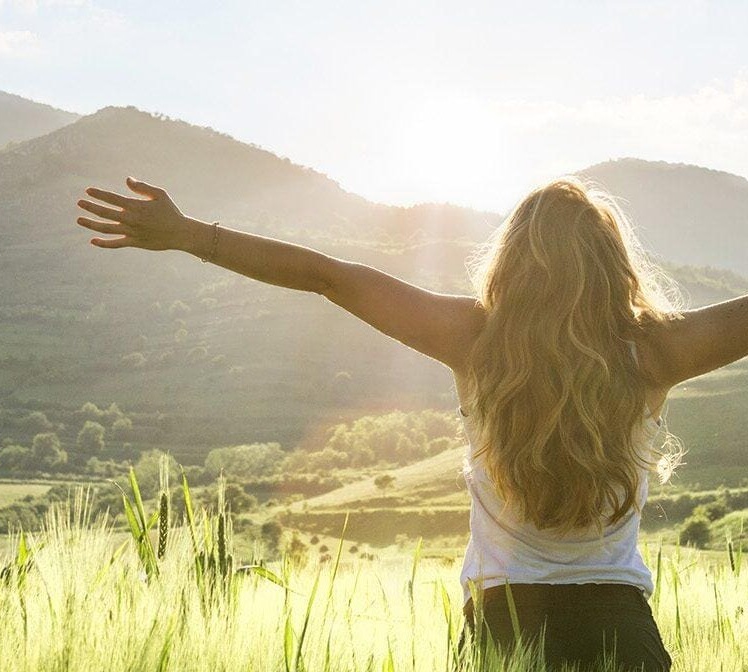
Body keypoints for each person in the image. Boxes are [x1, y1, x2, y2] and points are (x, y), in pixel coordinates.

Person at [76, 175, 748, 671]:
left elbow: (326, 276)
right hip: (621, 635)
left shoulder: (474, 339)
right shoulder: (659, 350)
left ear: (513, 260)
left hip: (500, 632)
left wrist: (192, 235)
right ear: (613, 265)